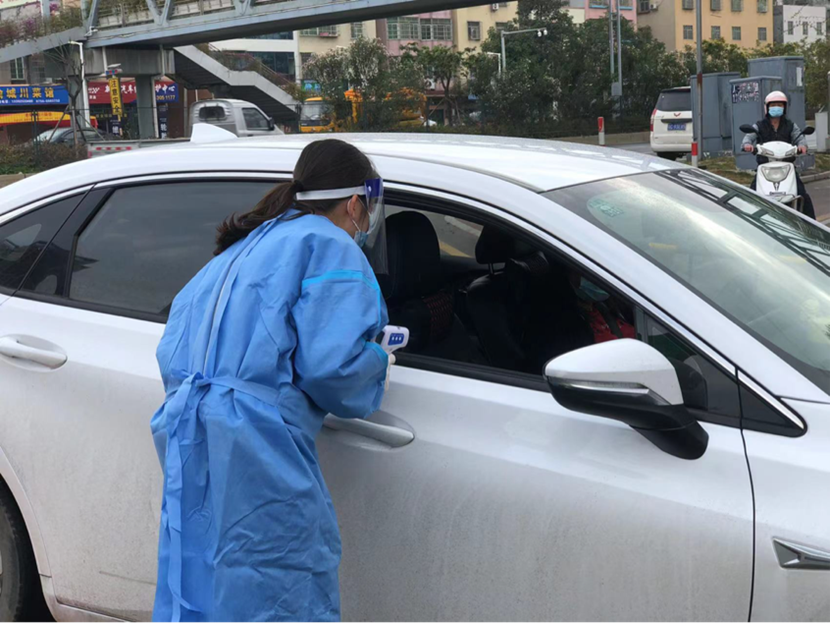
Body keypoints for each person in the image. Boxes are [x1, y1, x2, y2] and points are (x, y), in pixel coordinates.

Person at [149, 139, 392, 623]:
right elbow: (333, 369)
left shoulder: (244, 246)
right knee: (277, 587)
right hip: (257, 443)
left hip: (188, 434)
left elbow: (173, 348)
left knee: (199, 582)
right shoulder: (330, 246)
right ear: (354, 203)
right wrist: (379, 357)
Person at [742, 90, 815, 219]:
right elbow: (748, 138)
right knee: (751, 195)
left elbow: (800, 138)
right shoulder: (759, 126)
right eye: (773, 105)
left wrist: (802, 146)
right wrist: (747, 145)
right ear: (767, 107)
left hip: (786, 166)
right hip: (765, 166)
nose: (777, 107)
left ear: (785, 107)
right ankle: (749, 222)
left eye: (780, 105)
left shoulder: (790, 126)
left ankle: (812, 226)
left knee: (802, 194)